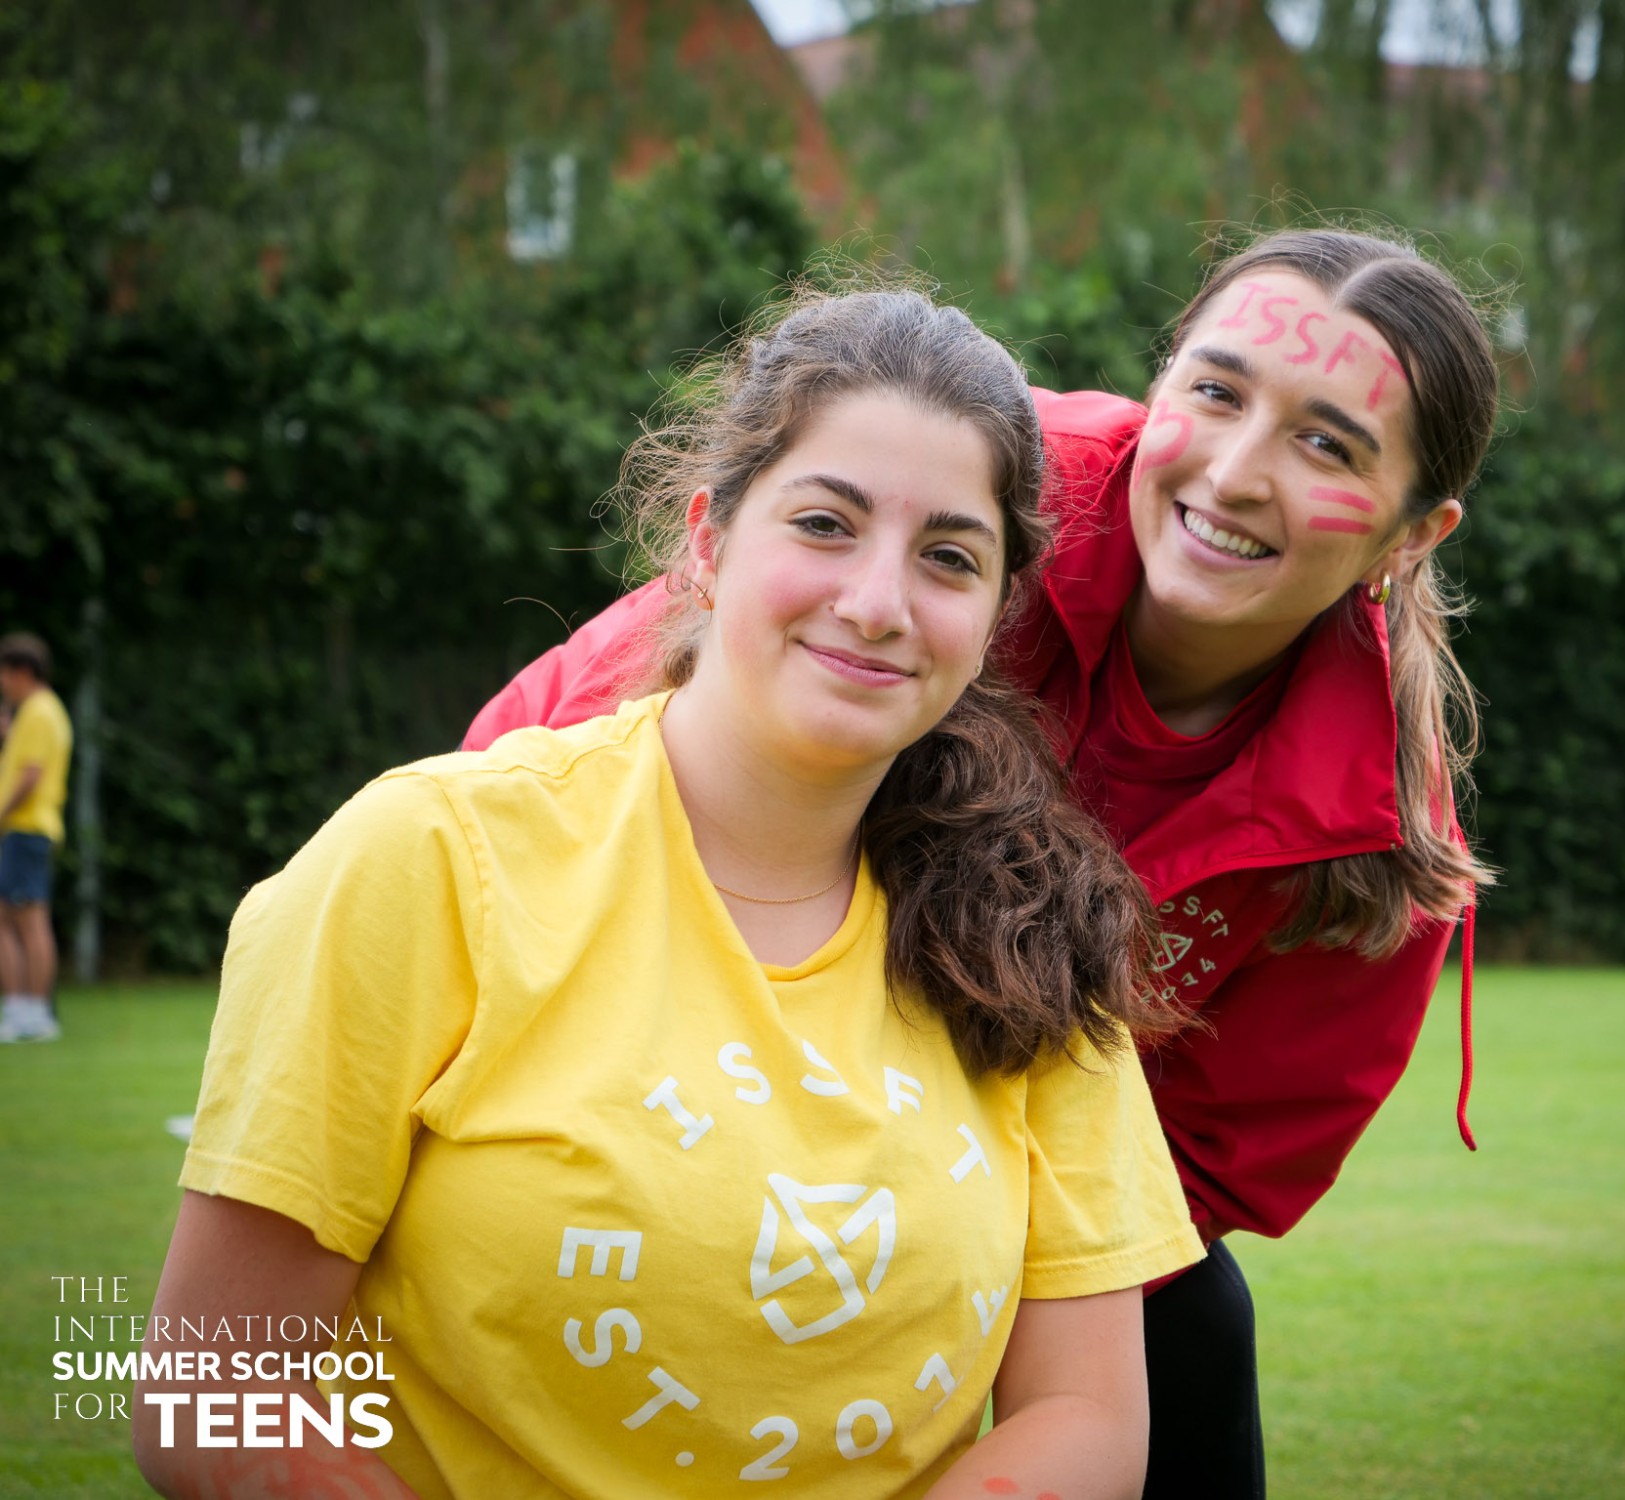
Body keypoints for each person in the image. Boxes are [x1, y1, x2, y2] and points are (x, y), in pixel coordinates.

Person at [465, 228, 1504, 1499]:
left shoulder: (1378, 834)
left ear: (1411, 533)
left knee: (1189, 1327)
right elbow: (580, 739)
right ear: (1160, 380)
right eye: (1215, 391)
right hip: (653, 1048)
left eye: (1326, 445)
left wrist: (926, 1224)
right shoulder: (952, 490)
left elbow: (1199, 1170)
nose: (1235, 473)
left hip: (998, 1183)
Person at [135, 287, 1203, 1500]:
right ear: (705, 541)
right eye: (824, 524)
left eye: (947, 557)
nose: (876, 603)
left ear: (995, 615)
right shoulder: (431, 857)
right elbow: (208, 1395)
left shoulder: (1036, 932)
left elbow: (1083, 1414)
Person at [0, 632, 73, 1045]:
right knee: (25, 918)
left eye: (5, 674)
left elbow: (29, 775)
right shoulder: (43, 712)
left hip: (26, 826)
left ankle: (27, 1011)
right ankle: (30, 1010)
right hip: (33, 828)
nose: (3, 684)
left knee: (25, 919)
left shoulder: (38, 712)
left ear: (24, 671)